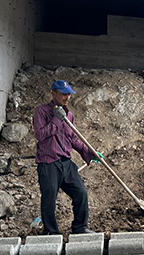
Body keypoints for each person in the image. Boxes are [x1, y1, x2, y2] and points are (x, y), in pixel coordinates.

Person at [33, 80, 102, 235]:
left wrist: (90, 152)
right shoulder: (41, 111)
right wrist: (57, 119)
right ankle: (51, 232)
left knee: (81, 193)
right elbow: (40, 135)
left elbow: (73, 139)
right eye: (64, 94)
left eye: (69, 94)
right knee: (49, 198)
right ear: (53, 93)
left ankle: (80, 227)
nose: (67, 97)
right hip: (48, 163)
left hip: (66, 162)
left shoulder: (69, 115)